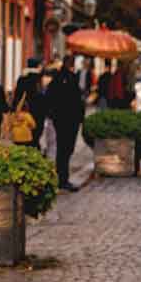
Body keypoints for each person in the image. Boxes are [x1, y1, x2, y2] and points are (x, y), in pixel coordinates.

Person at [45, 56, 86, 191]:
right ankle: (62, 179)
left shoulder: (61, 78)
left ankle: (61, 178)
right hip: (67, 119)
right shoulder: (66, 78)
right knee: (65, 149)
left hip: (64, 119)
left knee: (64, 149)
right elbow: (76, 99)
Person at [12, 57, 48, 148]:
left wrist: (15, 109)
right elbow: (43, 96)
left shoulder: (22, 79)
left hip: (24, 110)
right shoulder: (39, 79)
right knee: (36, 133)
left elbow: (17, 95)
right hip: (38, 111)